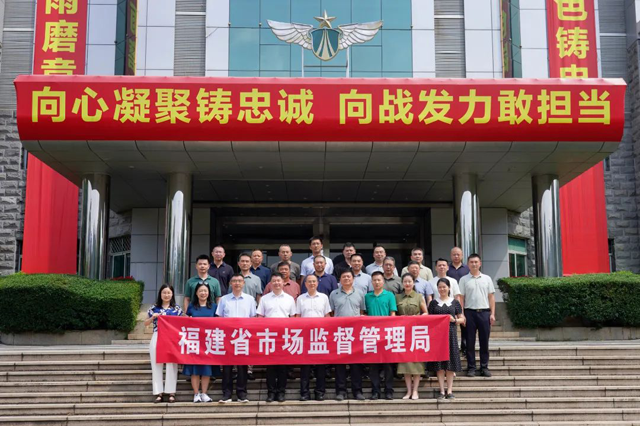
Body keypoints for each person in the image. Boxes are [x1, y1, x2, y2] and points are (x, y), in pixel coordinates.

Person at [216, 274, 257, 403]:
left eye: (239, 281)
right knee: (227, 367)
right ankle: (226, 394)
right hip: (228, 336)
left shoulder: (250, 299)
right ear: (230, 284)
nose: (237, 283)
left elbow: (253, 318)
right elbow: (219, 318)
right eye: (234, 281)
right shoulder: (224, 299)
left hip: (243, 337)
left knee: (242, 367)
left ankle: (241, 394)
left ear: (243, 283)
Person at [256, 273, 296, 402]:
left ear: (283, 282)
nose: (276, 283)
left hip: (284, 336)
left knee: (283, 367)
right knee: (270, 367)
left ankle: (281, 392)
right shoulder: (264, 299)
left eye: (279, 280)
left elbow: (293, 318)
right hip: (269, 337)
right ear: (270, 283)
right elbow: (260, 317)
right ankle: (271, 392)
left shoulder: (290, 299)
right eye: (274, 281)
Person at [329, 269, 366, 401]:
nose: (346, 279)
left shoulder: (360, 293)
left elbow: (361, 312)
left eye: (349, 277)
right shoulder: (334, 294)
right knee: (340, 363)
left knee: (356, 363)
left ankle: (357, 391)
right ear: (340, 280)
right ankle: (341, 391)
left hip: (355, 333)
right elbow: (331, 313)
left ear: (353, 279)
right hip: (339, 333)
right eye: (343, 277)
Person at [296, 274, 332, 401]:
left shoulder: (324, 297)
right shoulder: (300, 299)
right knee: (305, 366)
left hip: (320, 335)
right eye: (309, 282)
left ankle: (320, 392)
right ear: (305, 284)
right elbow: (297, 317)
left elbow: (327, 316)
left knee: (320, 366)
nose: (311, 284)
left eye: (314, 281)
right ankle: (304, 393)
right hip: (305, 336)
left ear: (317, 283)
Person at [145, 284, 183, 403]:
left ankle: (171, 392)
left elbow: (182, 322)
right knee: (156, 364)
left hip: (172, 338)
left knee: (171, 365)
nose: (166, 295)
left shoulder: (177, 309)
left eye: (169, 293)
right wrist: (152, 318)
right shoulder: (153, 308)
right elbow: (146, 323)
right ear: (160, 294)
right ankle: (158, 393)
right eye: (164, 293)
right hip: (157, 335)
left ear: (172, 294)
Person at [459, 253, 496, 378]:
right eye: (471, 262)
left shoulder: (487, 278)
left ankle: (484, 367)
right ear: (468, 264)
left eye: (476, 262)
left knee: (484, 341)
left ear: (480, 263)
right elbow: (461, 298)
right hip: (469, 313)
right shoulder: (464, 279)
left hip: (484, 313)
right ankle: (471, 368)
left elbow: (491, 297)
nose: (474, 264)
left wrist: (492, 314)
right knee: (470, 342)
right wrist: (462, 314)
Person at [427, 278, 464, 400]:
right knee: (439, 364)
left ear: (449, 288)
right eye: (440, 287)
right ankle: (442, 390)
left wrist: (454, 320)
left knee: (450, 363)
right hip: (437, 336)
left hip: (451, 335)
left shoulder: (455, 302)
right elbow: (429, 319)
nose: (442, 289)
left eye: (444, 287)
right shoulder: (433, 303)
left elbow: (462, 319)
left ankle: (450, 390)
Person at [183, 282, 218, 403]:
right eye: (201, 291)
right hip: (194, 343)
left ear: (209, 293)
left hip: (208, 342)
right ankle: (196, 393)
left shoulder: (214, 306)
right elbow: (185, 323)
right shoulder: (191, 306)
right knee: (195, 369)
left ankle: (204, 393)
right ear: (196, 293)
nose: (203, 293)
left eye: (205, 291)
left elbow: (218, 322)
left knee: (206, 370)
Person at [364, 271, 397, 400]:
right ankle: (375, 391)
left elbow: (393, 314)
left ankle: (389, 390)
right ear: (371, 282)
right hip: (372, 335)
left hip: (386, 334)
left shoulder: (389, 295)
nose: (377, 282)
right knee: (373, 365)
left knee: (388, 365)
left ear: (383, 281)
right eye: (374, 280)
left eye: (379, 280)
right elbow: (364, 314)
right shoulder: (367, 296)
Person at [395, 273, 428, 400]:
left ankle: (415, 391)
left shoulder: (419, 296)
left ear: (413, 283)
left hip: (416, 333)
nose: (407, 284)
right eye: (405, 281)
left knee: (417, 363)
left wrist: (417, 318)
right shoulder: (397, 297)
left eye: (410, 281)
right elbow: (393, 314)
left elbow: (426, 313)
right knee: (405, 363)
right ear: (402, 283)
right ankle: (408, 391)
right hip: (402, 334)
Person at [447, 247, 470, 355]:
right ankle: (452, 349)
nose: (456, 256)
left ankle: (464, 348)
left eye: (458, 254)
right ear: (451, 255)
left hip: (465, 300)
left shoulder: (467, 269)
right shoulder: (447, 269)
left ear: (462, 255)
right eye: (454, 254)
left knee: (465, 326)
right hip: (450, 301)